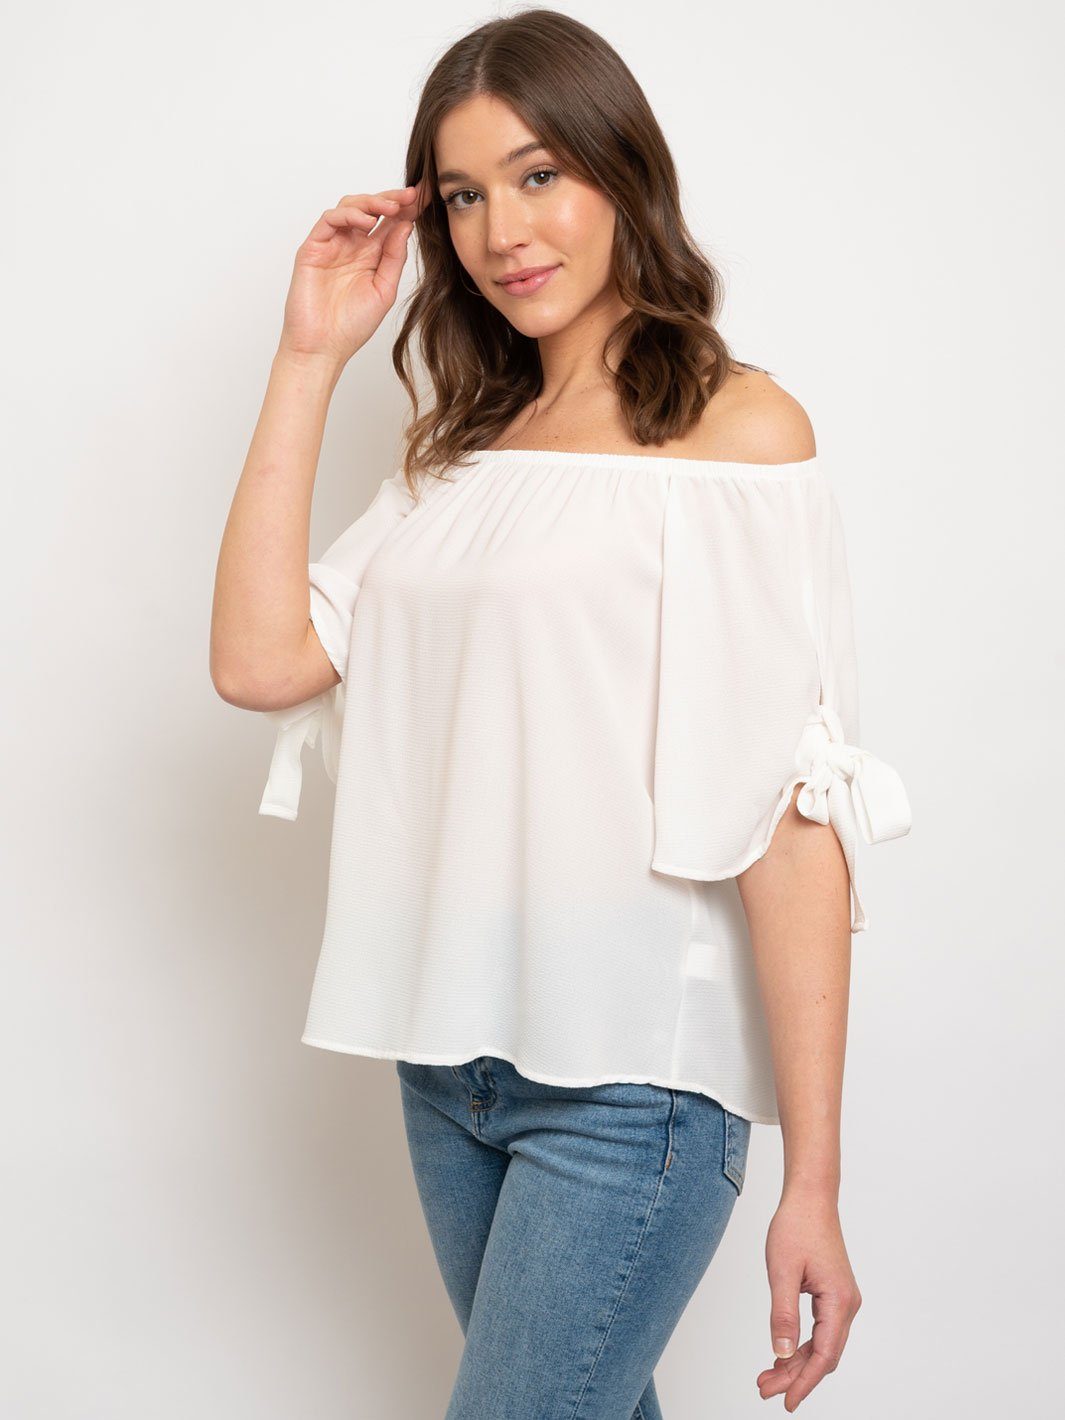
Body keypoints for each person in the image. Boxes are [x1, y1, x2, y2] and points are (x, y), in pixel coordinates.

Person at [210, 9, 911, 1417]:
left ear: (620, 173)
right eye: (463, 195)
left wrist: (814, 1184)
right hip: (446, 1063)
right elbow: (261, 659)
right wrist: (308, 356)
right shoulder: (463, 457)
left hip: (631, 1086)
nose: (501, 231)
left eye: (538, 176)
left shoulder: (736, 435)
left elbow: (791, 813)